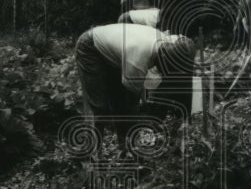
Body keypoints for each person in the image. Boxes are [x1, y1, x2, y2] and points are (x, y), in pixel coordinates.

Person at [74, 22, 195, 150]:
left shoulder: (174, 44)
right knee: (99, 106)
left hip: (119, 44)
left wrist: (186, 121)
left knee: (117, 100)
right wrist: (137, 141)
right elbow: (130, 105)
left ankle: (124, 148)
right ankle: (93, 156)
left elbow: (184, 82)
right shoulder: (137, 60)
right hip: (90, 47)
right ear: (162, 62)